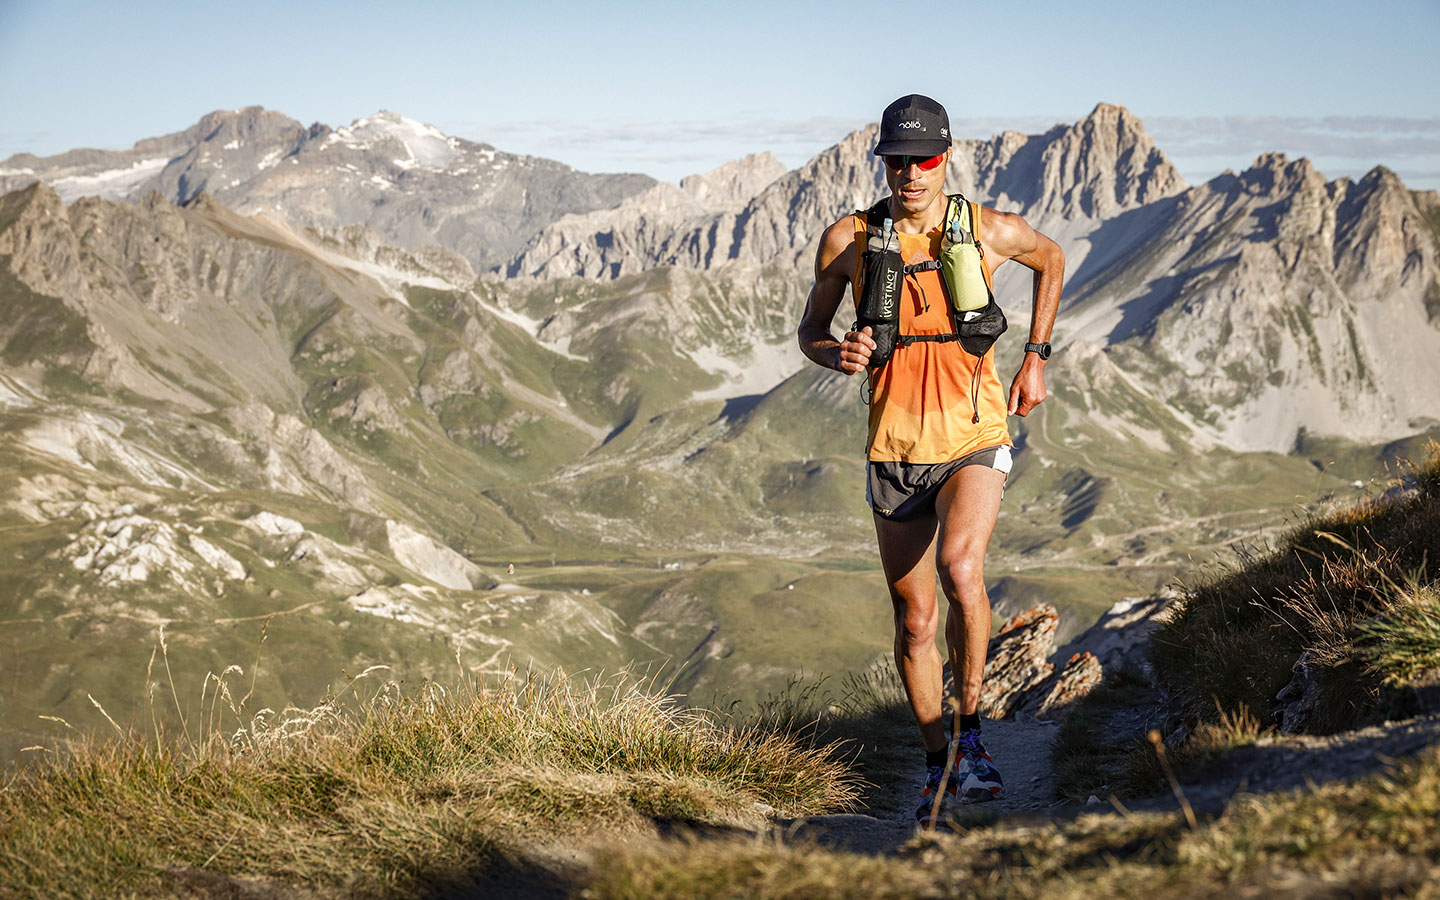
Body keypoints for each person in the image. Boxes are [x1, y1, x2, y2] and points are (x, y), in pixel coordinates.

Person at [796, 94, 1063, 828]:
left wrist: (1036, 357)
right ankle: (936, 762)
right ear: (883, 162)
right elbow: (810, 330)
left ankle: (973, 737)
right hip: (894, 448)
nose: (911, 173)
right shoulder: (848, 240)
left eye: (925, 159)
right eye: (897, 160)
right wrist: (835, 352)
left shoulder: (986, 230)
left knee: (960, 569)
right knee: (915, 621)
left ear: (947, 158)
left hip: (975, 435)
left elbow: (1051, 258)